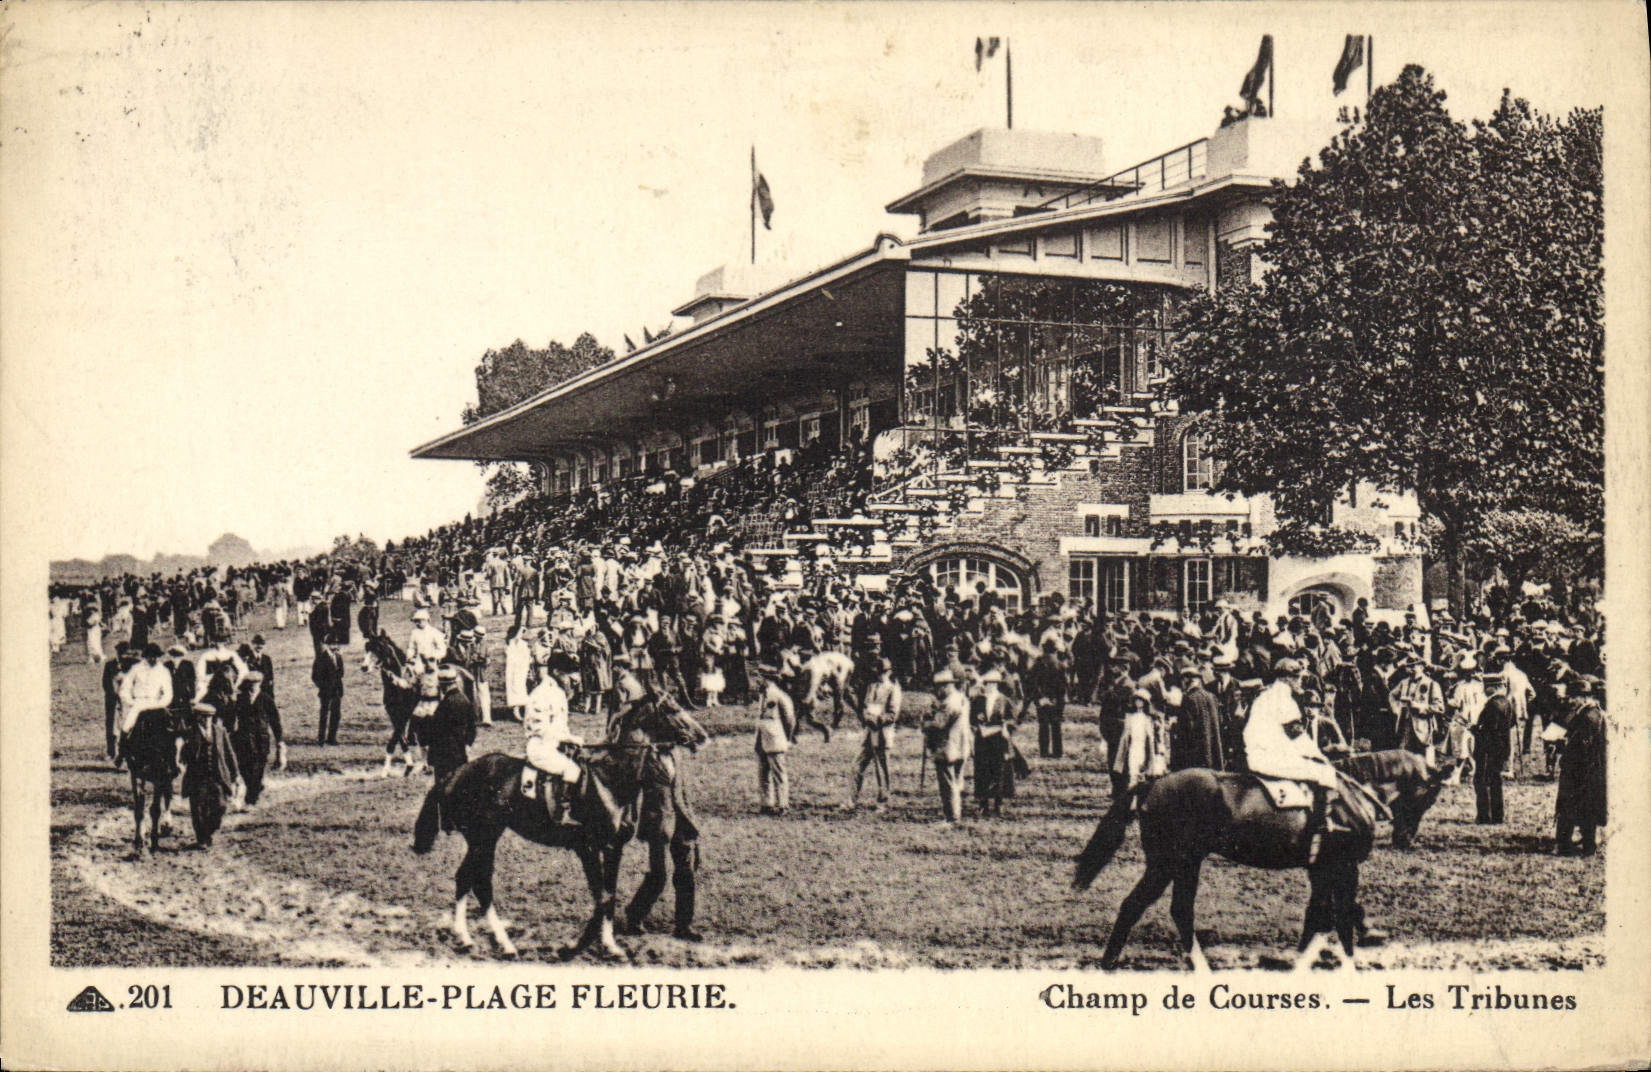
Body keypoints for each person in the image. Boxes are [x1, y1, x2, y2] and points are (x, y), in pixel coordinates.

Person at [1244, 658, 1343, 839]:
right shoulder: (1283, 699)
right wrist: (1320, 756)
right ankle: (1320, 827)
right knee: (1325, 772)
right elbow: (1296, 735)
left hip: (1257, 753)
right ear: (1287, 678)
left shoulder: (1264, 695)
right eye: (1298, 678)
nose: (1301, 682)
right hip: (1269, 757)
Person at [411, 665, 479, 850]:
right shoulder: (464, 700)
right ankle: (457, 823)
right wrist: (466, 743)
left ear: (441, 685)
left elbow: (435, 730)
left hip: (444, 753)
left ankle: (447, 824)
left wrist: (422, 722)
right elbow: (472, 729)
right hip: (460, 752)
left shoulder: (445, 705)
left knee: (443, 789)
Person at [523, 652, 584, 823]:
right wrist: (569, 739)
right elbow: (540, 728)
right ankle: (564, 812)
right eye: (566, 674)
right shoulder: (541, 693)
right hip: (541, 747)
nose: (570, 680)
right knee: (572, 770)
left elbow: (560, 726)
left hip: (556, 745)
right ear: (556, 672)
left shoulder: (558, 692)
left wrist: (569, 739)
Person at [1554, 677, 1606, 856]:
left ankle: (1582, 846)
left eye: (1573, 697)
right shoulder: (1587, 713)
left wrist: (1564, 746)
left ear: (1583, 697)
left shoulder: (1589, 716)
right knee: (1582, 808)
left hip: (1584, 771)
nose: (1570, 700)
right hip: (1583, 770)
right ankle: (1580, 845)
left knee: (1582, 808)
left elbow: (1583, 747)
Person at [847, 658, 901, 810]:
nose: (880, 675)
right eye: (878, 672)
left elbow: (892, 714)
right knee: (856, 766)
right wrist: (866, 716)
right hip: (869, 733)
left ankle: (882, 802)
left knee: (881, 770)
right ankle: (851, 800)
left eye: (883, 672)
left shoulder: (893, 689)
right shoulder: (872, 687)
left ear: (889, 672)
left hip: (883, 734)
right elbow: (865, 706)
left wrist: (877, 720)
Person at [924, 669, 972, 824]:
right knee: (956, 783)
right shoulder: (961, 698)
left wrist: (925, 722)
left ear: (944, 686)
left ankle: (952, 818)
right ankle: (956, 814)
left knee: (947, 785)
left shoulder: (948, 703)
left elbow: (938, 724)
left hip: (948, 748)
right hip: (962, 746)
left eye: (937, 688)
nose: (936, 691)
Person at [970, 669, 1015, 818]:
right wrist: (976, 728)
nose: (990, 686)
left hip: (998, 741)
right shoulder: (978, 700)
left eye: (993, 684)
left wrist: (1004, 727)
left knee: (999, 771)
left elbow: (1012, 721)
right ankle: (983, 802)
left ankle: (998, 802)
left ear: (997, 685)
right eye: (987, 683)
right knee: (982, 770)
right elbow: (971, 720)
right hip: (982, 741)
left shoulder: (1004, 700)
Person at [753, 663, 794, 816]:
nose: (757, 680)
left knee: (778, 772)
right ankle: (766, 803)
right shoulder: (762, 694)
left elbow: (789, 719)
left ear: (766, 679)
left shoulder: (779, 695)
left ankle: (782, 804)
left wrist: (787, 737)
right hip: (761, 737)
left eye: (759, 677)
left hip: (775, 738)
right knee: (762, 772)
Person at [1473, 673, 1514, 824]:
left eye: (1486, 686)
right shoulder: (1506, 702)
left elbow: (1491, 730)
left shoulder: (1492, 705)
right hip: (1501, 748)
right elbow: (1511, 723)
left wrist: (1476, 730)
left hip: (1488, 750)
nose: (1484, 689)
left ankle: (1484, 816)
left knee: (1482, 781)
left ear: (1493, 687)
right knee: (1496, 781)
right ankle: (1497, 815)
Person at [1171, 662, 1225, 772]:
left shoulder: (1189, 698)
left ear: (1186, 680)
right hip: (1214, 748)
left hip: (1197, 751)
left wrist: (1175, 726)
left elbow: (1186, 729)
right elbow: (1220, 720)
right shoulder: (1211, 696)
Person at [247, 635, 287, 770]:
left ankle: (275, 751)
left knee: (272, 724)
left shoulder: (267, 660)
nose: (259, 647)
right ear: (252, 644)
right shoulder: (247, 660)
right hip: (252, 696)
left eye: (261, 644)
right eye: (257, 644)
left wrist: (270, 697)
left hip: (265, 697)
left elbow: (270, 681)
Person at [1026, 637, 1069, 759]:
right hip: (1056, 699)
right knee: (1056, 725)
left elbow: (1032, 682)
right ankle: (1057, 752)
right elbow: (1064, 685)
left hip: (1042, 699)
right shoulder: (1060, 665)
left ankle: (1044, 752)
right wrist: (1057, 699)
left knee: (1043, 726)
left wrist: (1039, 697)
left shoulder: (1038, 664)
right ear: (1055, 650)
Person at [102, 642, 134, 767]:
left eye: (126, 653)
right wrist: (114, 693)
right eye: (121, 653)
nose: (124, 656)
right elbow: (105, 683)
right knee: (112, 725)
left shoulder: (133, 664)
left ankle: (127, 752)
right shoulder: (110, 665)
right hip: (113, 700)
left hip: (128, 700)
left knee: (127, 725)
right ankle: (111, 752)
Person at [311, 637, 346, 746]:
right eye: (331, 644)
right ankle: (321, 738)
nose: (334, 646)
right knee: (324, 714)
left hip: (336, 690)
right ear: (327, 645)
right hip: (326, 691)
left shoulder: (338, 657)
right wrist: (323, 686)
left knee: (336, 714)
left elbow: (341, 673)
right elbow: (315, 676)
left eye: (335, 644)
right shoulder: (321, 658)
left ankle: (332, 737)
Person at [503, 622, 531, 722]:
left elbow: (526, 656)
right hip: (514, 670)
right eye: (520, 632)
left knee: (522, 688)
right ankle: (516, 712)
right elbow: (511, 658)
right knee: (514, 689)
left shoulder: (523, 644)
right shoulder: (510, 644)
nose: (522, 634)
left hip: (522, 670)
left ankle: (524, 711)